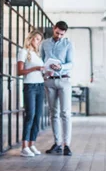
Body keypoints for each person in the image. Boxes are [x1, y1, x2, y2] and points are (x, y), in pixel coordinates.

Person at [41, 20, 75, 156]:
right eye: (57, 33)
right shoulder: (44, 44)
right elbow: (41, 60)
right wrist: (45, 70)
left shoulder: (68, 44)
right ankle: (57, 143)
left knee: (65, 113)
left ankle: (67, 144)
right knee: (53, 113)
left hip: (64, 80)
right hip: (49, 81)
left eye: (62, 34)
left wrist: (61, 67)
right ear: (53, 29)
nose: (59, 36)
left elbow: (71, 63)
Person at [17, 29, 45, 157]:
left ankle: (32, 144)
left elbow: (39, 71)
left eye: (40, 40)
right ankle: (24, 146)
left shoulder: (37, 55)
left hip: (40, 86)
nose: (38, 42)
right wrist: (35, 68)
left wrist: (47, 72)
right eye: (37, 39)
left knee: (37, 116)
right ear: (30, 39)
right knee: (30, 115)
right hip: (30, 87)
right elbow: (20, 72)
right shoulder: (23, 52)